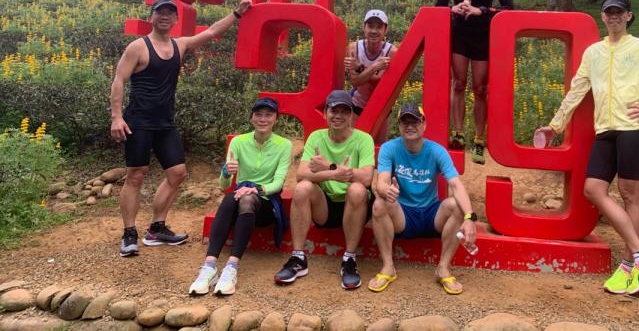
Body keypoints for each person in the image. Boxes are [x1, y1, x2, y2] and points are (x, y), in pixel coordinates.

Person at [535, 0, 639, 296]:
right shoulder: (593, 52)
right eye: (609, 12)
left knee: (630, 195)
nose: (614, 16)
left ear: (629, 16)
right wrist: (555, 125)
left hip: (634, 129)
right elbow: (576, 90)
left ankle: (631, 265)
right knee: (593, 189)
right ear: (603, 16)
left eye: (619, 12)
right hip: (605, 130)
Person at [110, 0, 252, 257]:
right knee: (136, 175)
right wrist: (116, 117)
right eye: (160, 12)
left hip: (165, 123)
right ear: (151, 17)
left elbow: (212, 31)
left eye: (169, 13)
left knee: (177, 173)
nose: (165, 16)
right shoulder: (138, 47)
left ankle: (156, 228)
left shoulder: (180, 45)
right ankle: (129, 234)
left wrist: (237, 14)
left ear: (176, 19)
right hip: (138, 122)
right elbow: (119, 79)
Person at [368, 104, 478, 295]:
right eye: (405, 122)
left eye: (415, 121)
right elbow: (381, 182)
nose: (410, 126)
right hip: (403, 215)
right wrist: (387, 190)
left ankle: (443, 268)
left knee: (457, 206)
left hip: (431, 214)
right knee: (379, 204)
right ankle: (388, 267)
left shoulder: (437, 151)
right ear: (399, 126)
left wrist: (470, 217)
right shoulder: (389, 148)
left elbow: (455, 184)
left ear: (424, 124)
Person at [188, 96, 291, 296]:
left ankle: (232, 267)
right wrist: (226, 172)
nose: (263, 119)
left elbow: (278, 183)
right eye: (258, 114)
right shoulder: (238, 142)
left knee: (246, 198)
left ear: (276, 119)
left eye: (268, 115)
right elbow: (224, 185)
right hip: (240, 199)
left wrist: (256, 189)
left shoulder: (284, 145)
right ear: (251, 118)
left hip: (266, 203)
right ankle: (209, 266)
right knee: (231, 198)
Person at [274, 90, 375, 290]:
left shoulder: (363, 139)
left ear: (351, 115)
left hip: (356, 206)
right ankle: (298, 258)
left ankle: (349, 259)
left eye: (344, 111)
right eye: (333, 110)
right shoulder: (316, 137)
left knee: (357, 189)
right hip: (325, 206)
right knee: (302, 188)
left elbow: (366, 178)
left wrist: (328, 166)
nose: (338, 116)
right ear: (326, 113)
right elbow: (301, 174)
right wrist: (334, 174)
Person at [435, 0, 514, 164]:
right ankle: (458, 133)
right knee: (458, 83)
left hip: (483, 38)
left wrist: (482, 11)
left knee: (480, 89)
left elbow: (509, 7)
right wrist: (453, 9)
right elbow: (437, 9)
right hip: (459, 37)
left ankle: (479, 139)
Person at [344, 9, 398, 144]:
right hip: (358, 105)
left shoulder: (391, 52)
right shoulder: (353, 48)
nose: (374, 31)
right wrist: (374, 67)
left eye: (379, 27)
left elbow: (380, 83)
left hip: (381, 107)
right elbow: (355, 81)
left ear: (385, 30)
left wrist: (359, 67)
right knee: (353, 147)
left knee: (378, 148)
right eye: (370, 26)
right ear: (364, 27)